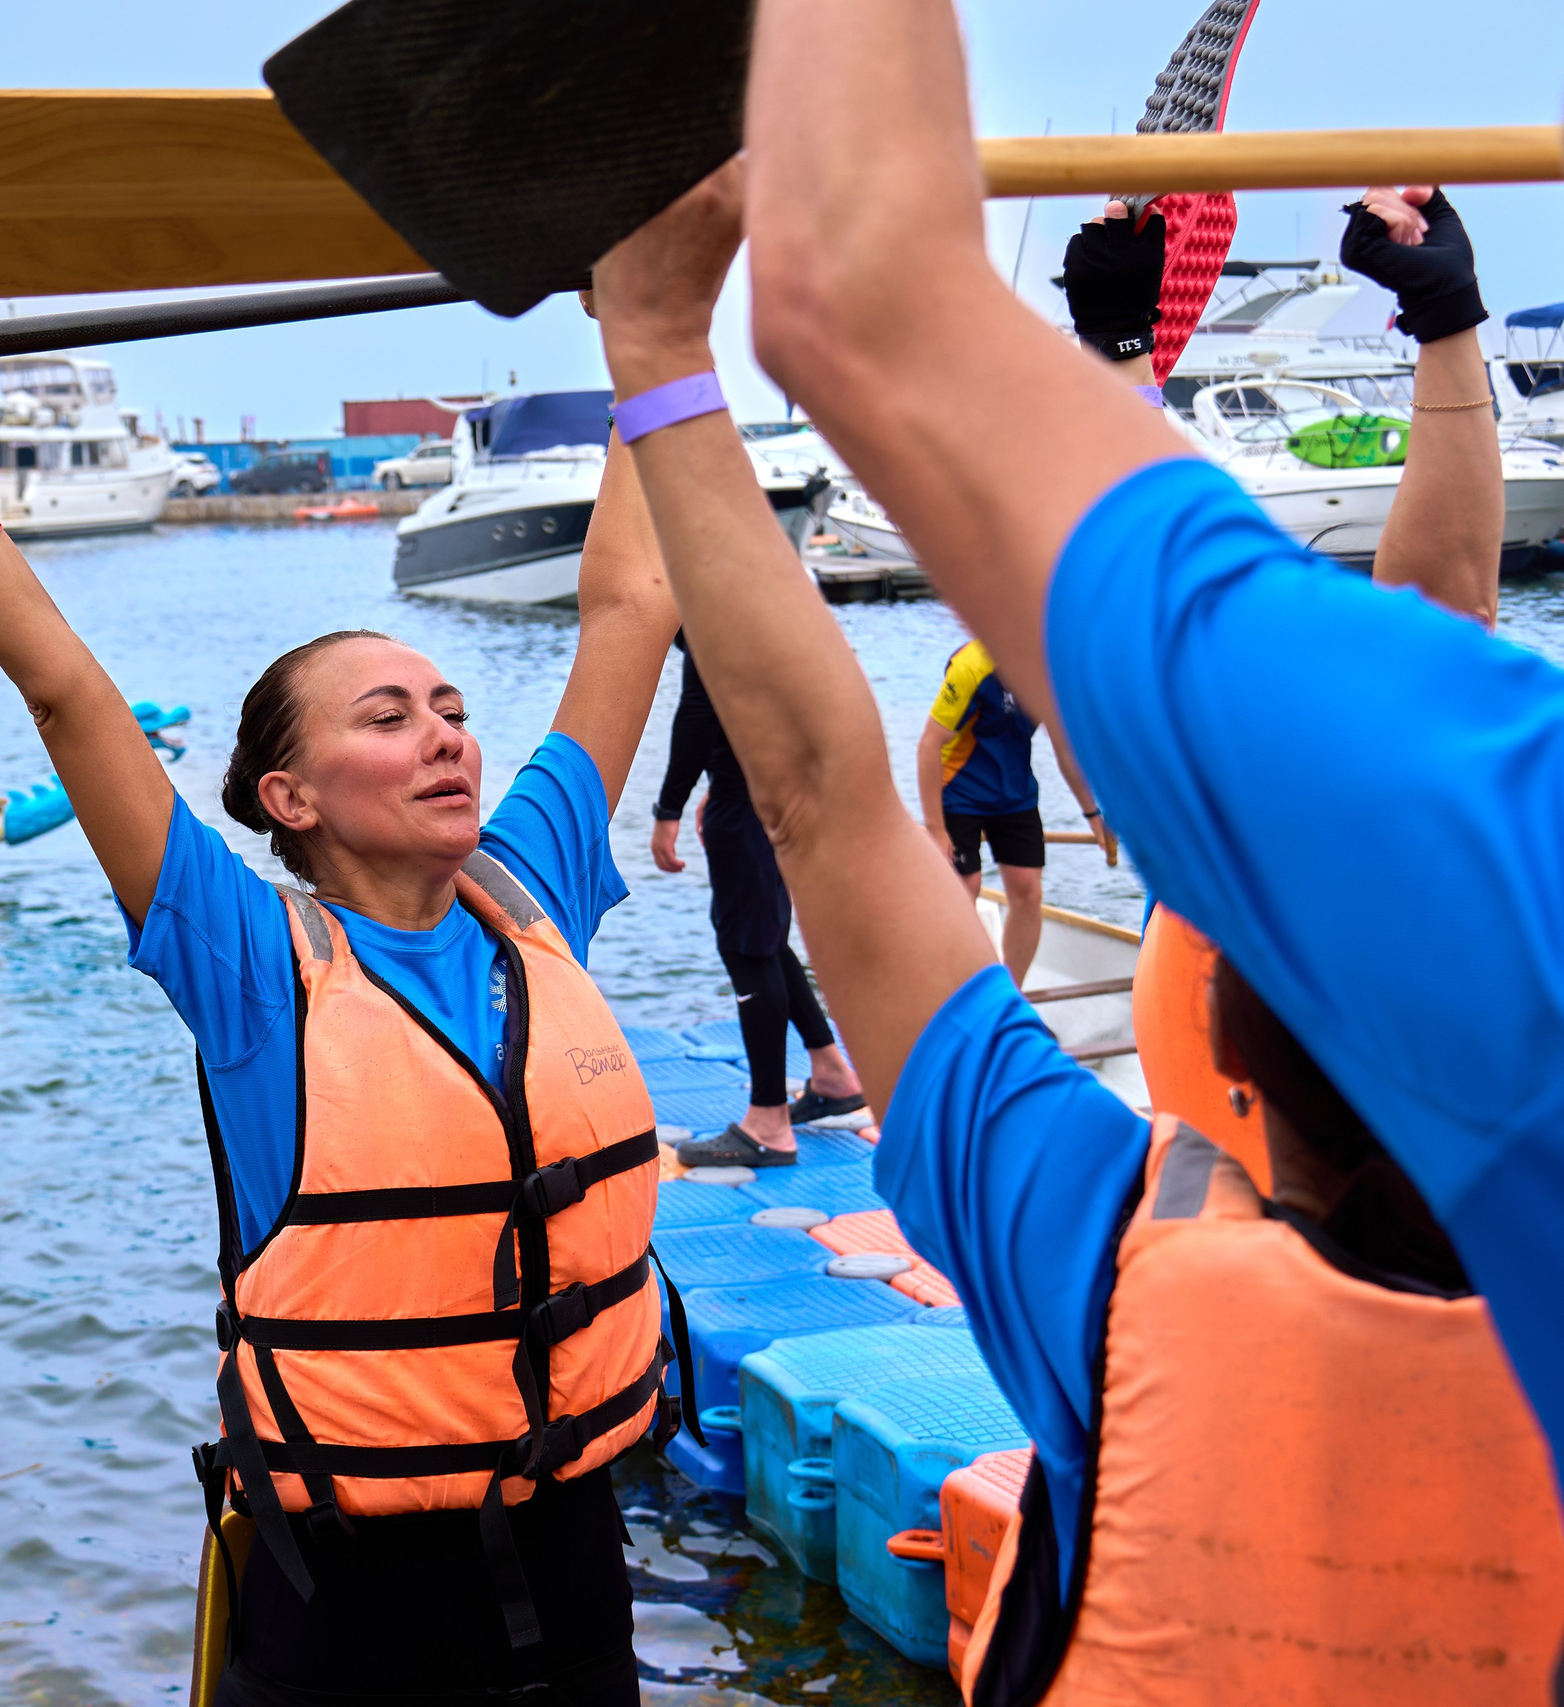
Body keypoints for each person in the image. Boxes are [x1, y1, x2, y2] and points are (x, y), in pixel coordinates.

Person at [588, 6, 1564, 1690]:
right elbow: (1446, 632)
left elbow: (817, 790)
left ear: (1228, 1047)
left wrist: (660, 337)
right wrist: (1449, 329)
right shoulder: (1517, 1033)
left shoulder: (1096, 1263)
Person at [0, 301, 681, 1705]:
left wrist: (654, 337)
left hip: (575, 1553)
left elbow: (632, 604)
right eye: (388, 715)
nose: (448, 733)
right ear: (290, 797)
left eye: (452, 703)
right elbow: (69, 697)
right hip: (349, 1598)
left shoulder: (534, 885)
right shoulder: (247, 962)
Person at [650, 631, 866, 1166]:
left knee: (747, 947)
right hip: (782, 791)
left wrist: (667, 809)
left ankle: (768, 1122)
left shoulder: (703, 598)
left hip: (751, 802)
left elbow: (698, 714)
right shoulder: (755, 594)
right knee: (766, 939)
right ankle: (833, 1075)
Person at [915, 638, 1110, 984]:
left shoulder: (1049, 672)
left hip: (1014, 793)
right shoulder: (972, 666)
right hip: (959, 790)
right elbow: (929, 744)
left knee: (1027, 892)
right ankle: (957, 989)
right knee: (965, 886)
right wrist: (935, 828)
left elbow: (1067, 755)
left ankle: (1012, 993)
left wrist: (1093, 815)